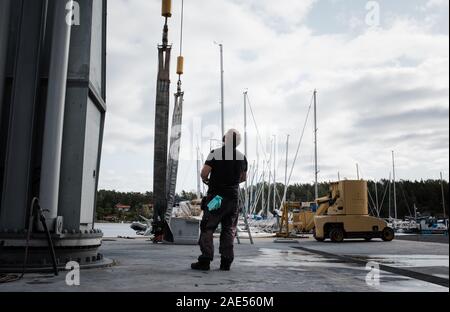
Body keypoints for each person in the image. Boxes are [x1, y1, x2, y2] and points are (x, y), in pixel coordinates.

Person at [191, 129, 248, 271]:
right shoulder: (242, 157)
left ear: (224, 139)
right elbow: (243, 178)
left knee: (207, 227)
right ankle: (226, 262)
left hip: (216, 197)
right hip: (233, 198)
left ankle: (205, 260)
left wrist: (207, 180)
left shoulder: (215, 153)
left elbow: (204, 173)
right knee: (229, 229)